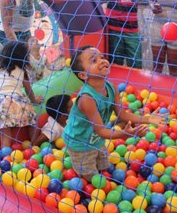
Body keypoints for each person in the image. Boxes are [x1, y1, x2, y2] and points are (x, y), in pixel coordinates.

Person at [62, 45, 167, 181]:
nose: (102, 61)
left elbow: (122, 115)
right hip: (79, 142)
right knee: (90, 177)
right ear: (83, 75)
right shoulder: (87, 98)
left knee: (104, 165)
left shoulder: (111, 88)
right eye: (93, 60)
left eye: (102, 57)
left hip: (96, 139)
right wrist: (125, 134)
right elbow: (101, 131)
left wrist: (148, 118)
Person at [0, 41, 43, 148]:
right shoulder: (21, 70)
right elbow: (28, 90)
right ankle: (35, 146)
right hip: (14, 101)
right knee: (33, 123)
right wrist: (34, 101)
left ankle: (6, 159)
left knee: (5, 136)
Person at [98, 0, 147, 69]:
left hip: (132, 29)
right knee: (115, 64)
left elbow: (140, 1)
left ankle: (134, 84)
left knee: (136, 64)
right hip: (112, 28)